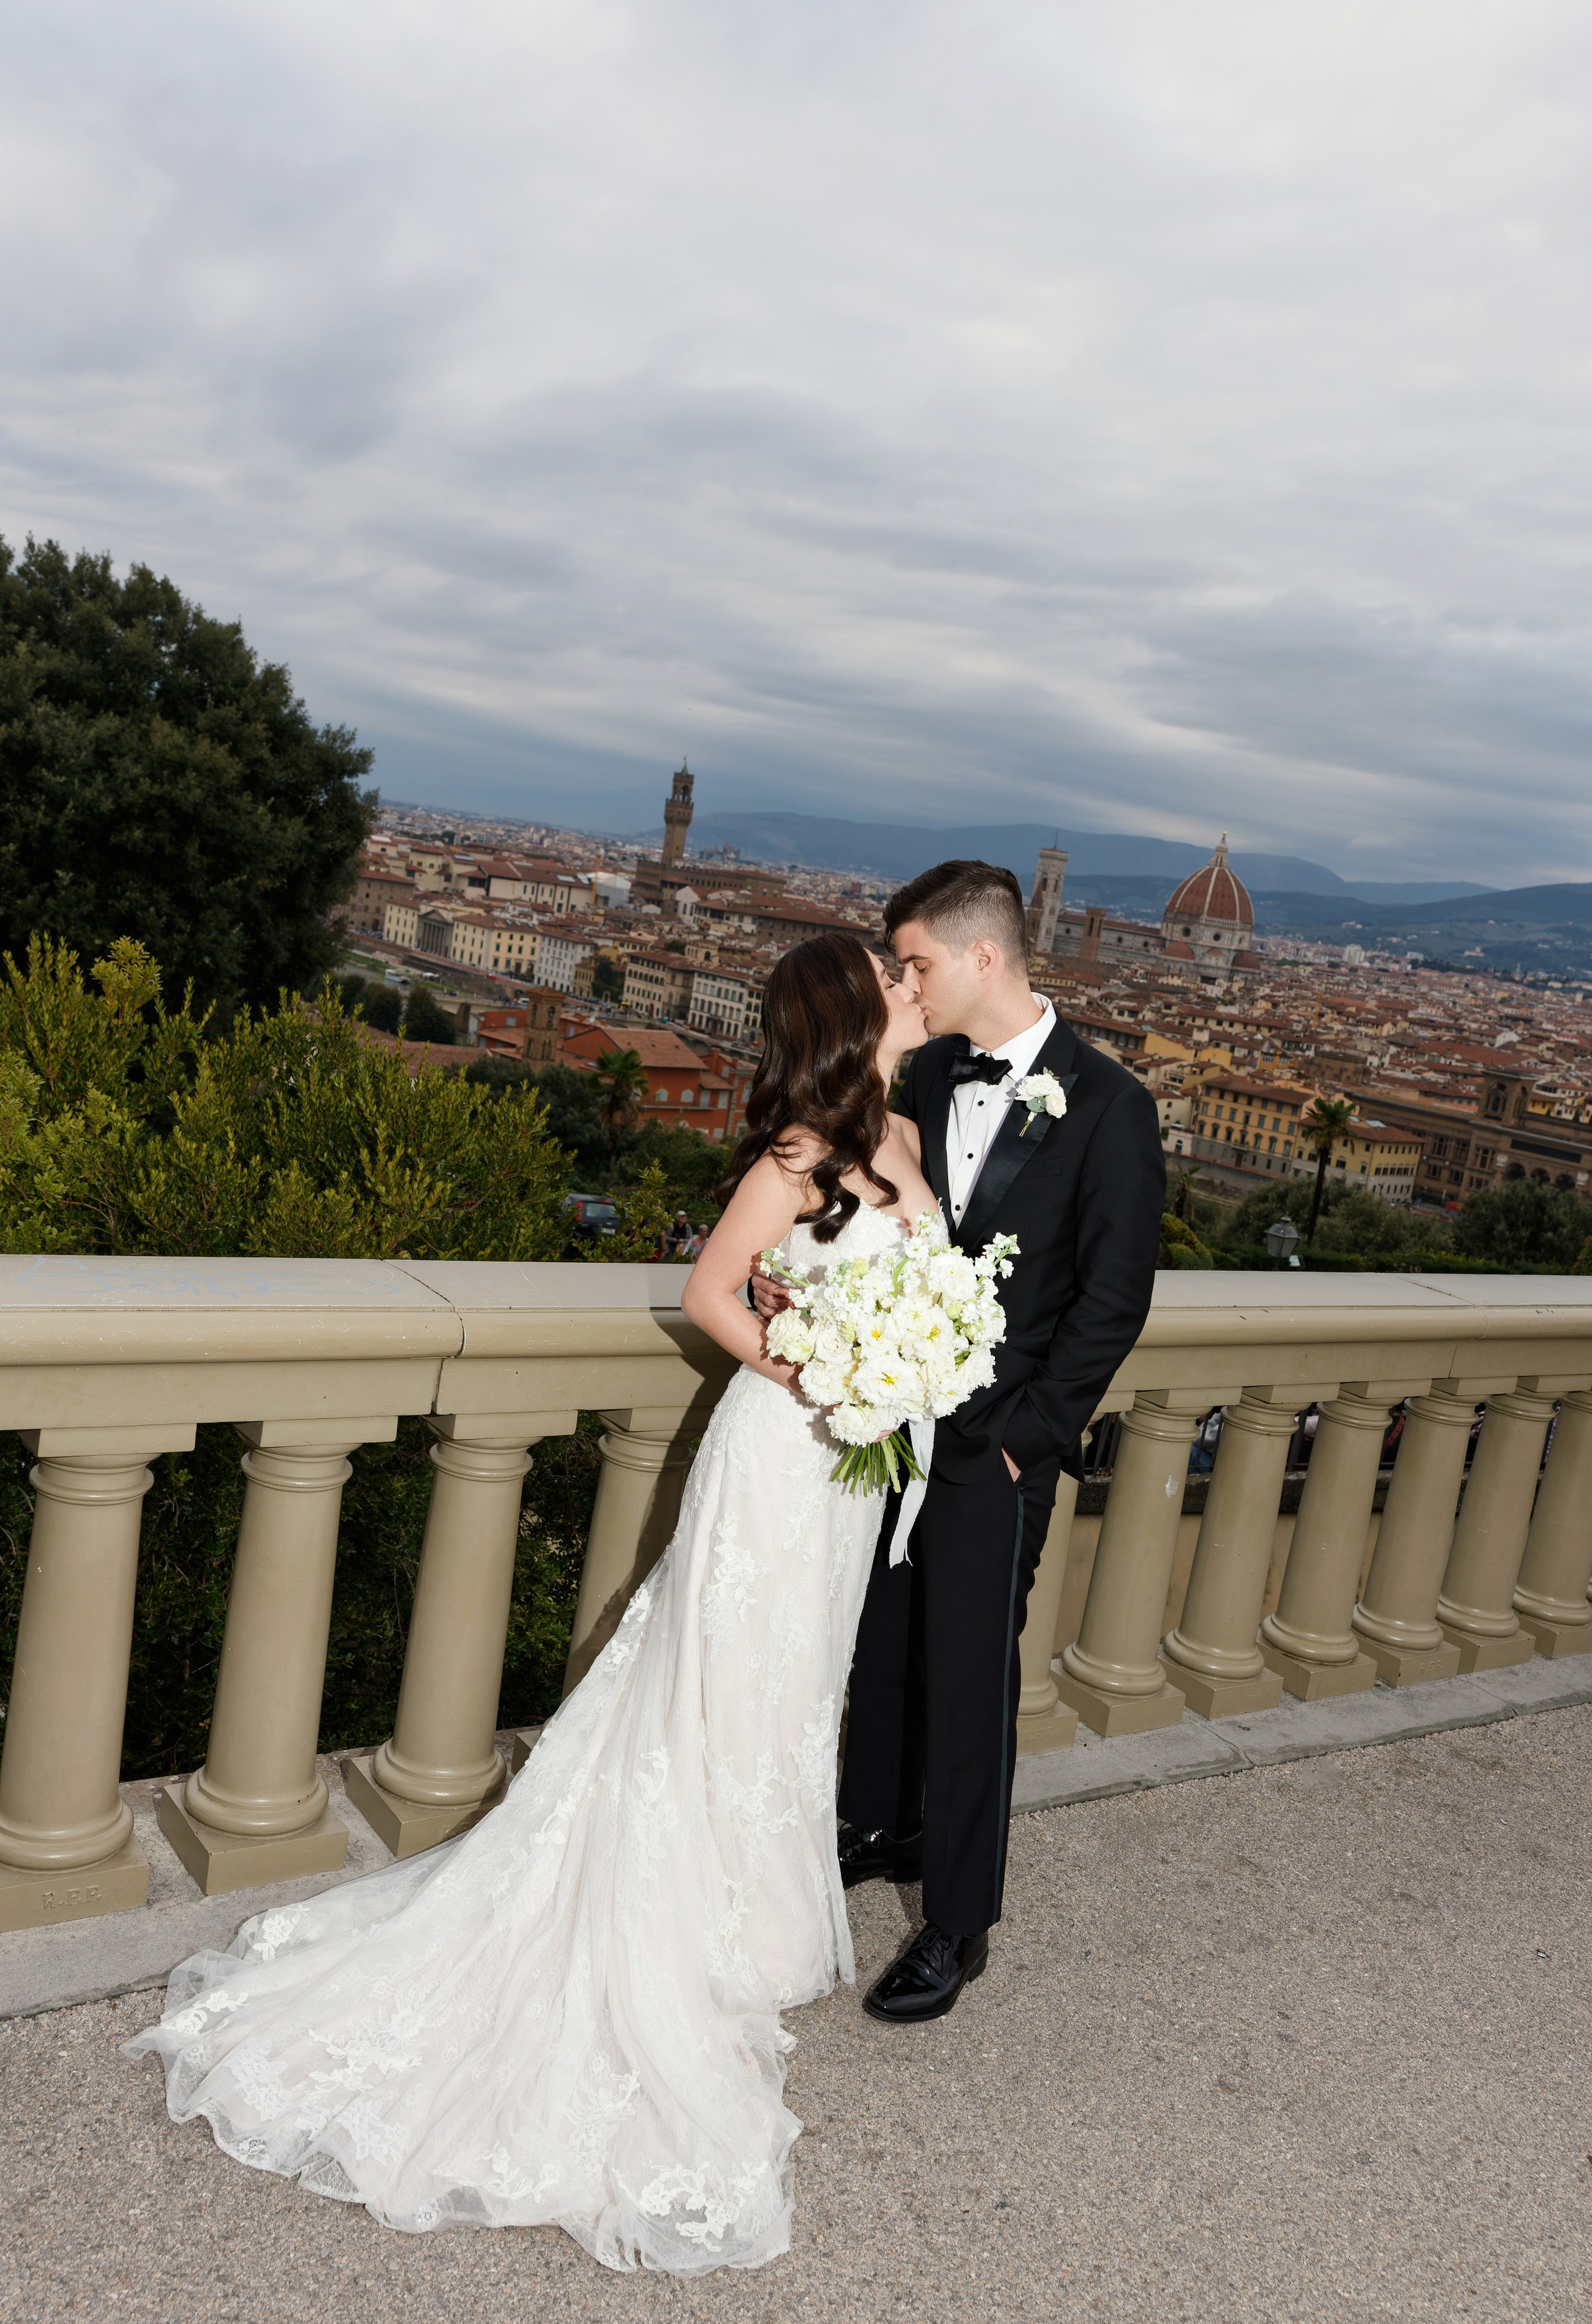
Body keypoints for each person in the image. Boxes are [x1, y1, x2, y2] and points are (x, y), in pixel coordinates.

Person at [126, 932, 936, 2275]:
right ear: (852, 1013)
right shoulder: (796, 1151)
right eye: (887, 972)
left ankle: (739, 1927)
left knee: (788, 1695)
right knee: (713, 1683)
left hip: (852, 1478)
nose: (910, 980)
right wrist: (811, 1373)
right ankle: (668, 1938)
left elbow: (920, 1293)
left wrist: (912, 1367)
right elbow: (710, 1292)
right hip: (786, 1457)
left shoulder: (901, 1133)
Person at [752, 859, 1163, 2025]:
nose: (908, 986)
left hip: (1000, 1446)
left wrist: (1028, 1443)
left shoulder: (1114, 1109)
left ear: (984, 957)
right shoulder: (922, 1073)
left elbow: (1111, 1303)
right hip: (886, 1424)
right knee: (883, 1639)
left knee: (973, 1673)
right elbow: (851, 1217)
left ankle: (959, 1921)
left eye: (918, 964)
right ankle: (877, 1826)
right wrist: (809, 1307)